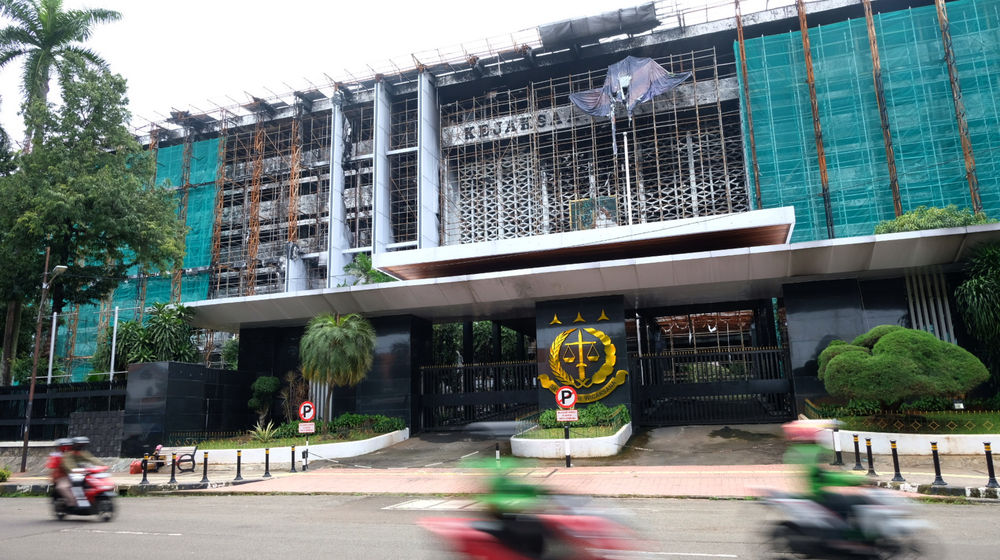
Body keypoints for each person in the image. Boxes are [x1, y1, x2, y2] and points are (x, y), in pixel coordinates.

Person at [782, 419, 866, 520]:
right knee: (853, 503)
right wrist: (855, 480)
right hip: (817, 497)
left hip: (812, 495)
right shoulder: (810, 453)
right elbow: (825, 476)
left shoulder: (797, 451)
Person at [50, 438, 77, 507]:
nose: (66, 448)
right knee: (63, 487)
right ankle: (72, 502)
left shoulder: (73, 454)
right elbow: (54, 466)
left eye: (69, 446)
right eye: (65, 446)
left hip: (75, 476)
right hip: (63, 477)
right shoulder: (56, 456)